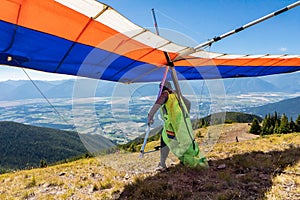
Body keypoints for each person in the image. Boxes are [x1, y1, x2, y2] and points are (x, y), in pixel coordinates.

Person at [148, 81, 208, 170]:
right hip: (182, 123)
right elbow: (188, 103)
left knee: (165, 140)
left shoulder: (165, 94)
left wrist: (150, 115)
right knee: (184, 142)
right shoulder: (176, 94)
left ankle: (162, 163)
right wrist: (184, 114)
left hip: (173, 125)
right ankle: (185, 159)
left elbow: (158, 103)